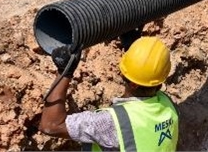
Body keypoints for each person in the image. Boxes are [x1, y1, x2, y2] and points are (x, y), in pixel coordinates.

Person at [39, 37, 179, 151]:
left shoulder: (112, 122)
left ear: (131, 82)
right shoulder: (168, 105)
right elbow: (148, 73)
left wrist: (65, 71)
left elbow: (50, 125)